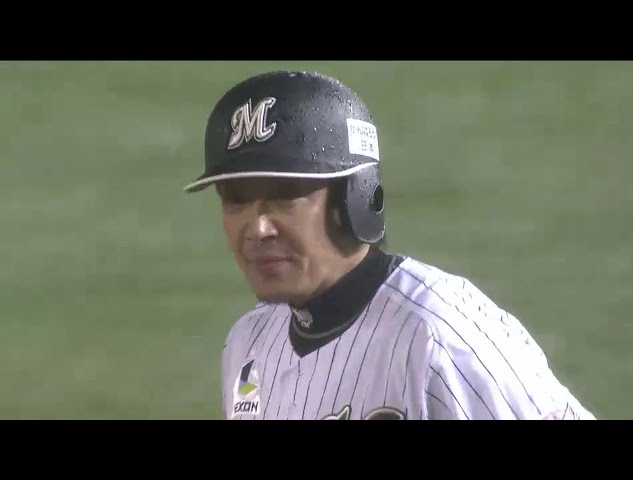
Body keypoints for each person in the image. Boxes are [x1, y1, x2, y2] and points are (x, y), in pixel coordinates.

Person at [183, 70, 596, 420]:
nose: (257, 228)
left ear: (355, 198)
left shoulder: (440, 336)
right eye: (235, 200)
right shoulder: (249, 343)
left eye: (286, 195)